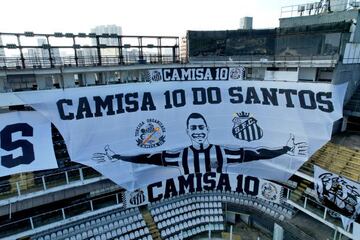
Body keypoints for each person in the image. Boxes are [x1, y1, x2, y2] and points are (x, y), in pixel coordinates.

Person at [92, 112, 307, 175]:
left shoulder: (224, 152)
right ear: (187, 132)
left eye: (201, 127)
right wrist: (118, 156)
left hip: (219, 187)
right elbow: (145, 157)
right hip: (187, 190)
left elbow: (257, 153)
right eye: (193, 128)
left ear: (207, 129)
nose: (198, 132)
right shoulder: (178, 155)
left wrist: (286, 148)